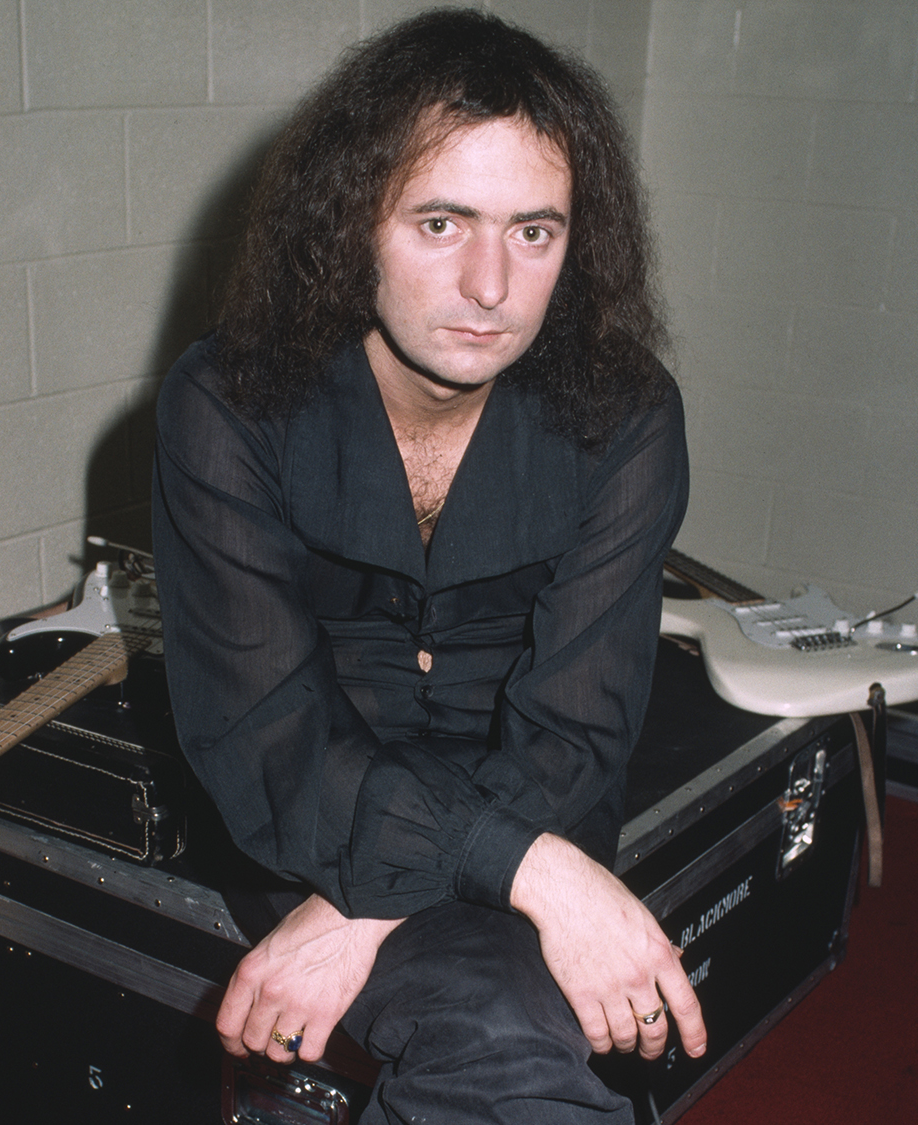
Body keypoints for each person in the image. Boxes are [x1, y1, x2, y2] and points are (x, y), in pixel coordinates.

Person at [149, 9, 701, 1121]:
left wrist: (369, 911)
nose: (490, 286)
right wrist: (537, 875)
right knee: (505, 1043)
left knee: (499, 1037)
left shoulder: (626, 414)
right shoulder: (228, 404)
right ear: (350, 221)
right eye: (441, 223)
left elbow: (574, 737)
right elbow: (269, 739)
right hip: (297, 829)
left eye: (533, 232)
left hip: (537, 803)